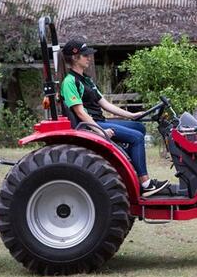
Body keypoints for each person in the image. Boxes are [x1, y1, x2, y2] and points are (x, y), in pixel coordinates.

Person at [60, 38, 170, 197]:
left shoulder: (87, 80)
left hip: (99, 121)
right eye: (85, 55)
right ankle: (145, 184)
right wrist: (99, 131)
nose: (89, 58)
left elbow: (105, 104)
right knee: (136, 137)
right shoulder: (70, 82)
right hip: (90, 125)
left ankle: (131, 168)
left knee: (139, 127)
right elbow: (80, 113)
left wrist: (132, 115)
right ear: (75, 58)